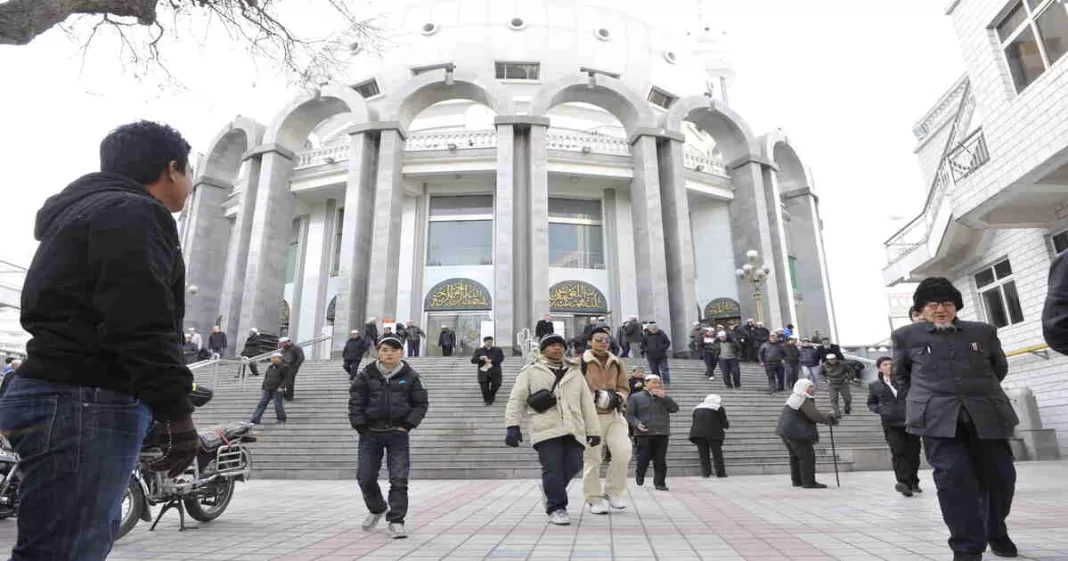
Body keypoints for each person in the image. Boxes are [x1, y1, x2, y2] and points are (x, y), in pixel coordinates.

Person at [0, 121, 197, 560]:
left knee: (64, 543)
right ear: (171, 169)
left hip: (59, 393)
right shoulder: (135, 213)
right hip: (86, 399)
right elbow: (140, 316)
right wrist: (176, 410)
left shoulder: (80, 214)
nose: (190, 183)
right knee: (66, 550)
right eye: (189, 171)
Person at [894, 277, 1018, 561]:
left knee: (1001, 478)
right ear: (921, 308)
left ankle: (995, 530)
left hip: (986, 414)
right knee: (953, 481)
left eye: (947, 303)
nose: (941, 309)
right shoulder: (905, 336)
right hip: (938, 421)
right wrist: (925, 401)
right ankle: (966, 548)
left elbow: (998, 368)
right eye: (933, 304)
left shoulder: (983, 332)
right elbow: (902, 376)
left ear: (956, 306)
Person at [504, 333, 602, 526]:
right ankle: (557, 507)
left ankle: (550, 491)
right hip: (545, 427)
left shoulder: (575, 372)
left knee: (575, 464)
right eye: (552, 345)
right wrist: (512, 425)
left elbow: (586, 403)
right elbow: (516, 399)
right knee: (553, 468)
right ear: (543, 349)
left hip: (573, 427)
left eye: (560, 345)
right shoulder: (531, 370)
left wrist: (594, 430)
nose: (557, 348)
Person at [349, 336, 429, 539]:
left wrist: (407, 425)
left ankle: (396, 521)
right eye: (385, 350)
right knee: (365, 477)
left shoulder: (411, 376)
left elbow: (421, 404)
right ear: (378, 352)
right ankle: (377, 508)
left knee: (399, 479)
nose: (389, 354)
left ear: (401, 352)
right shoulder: (366, 375)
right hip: (370, 433)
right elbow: (356, 401)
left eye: (394, 350)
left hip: (397, 434)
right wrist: (360, 425)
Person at [580, 329, 632, 514]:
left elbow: (624, 387)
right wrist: (593, 398)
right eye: (599, 339)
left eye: (607, 340)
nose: (603, 342)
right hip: (591, 416)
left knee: (623, 452)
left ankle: (613, 491)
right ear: (590, 341)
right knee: (592, 458)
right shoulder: (580, 362)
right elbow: (575, 388)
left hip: (615, 415)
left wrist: (618, 397)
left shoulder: (617, 362)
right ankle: (594, 498)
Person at [867, 356, 921, 497]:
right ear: (879, 368)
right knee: (898, 452)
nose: (889, 367)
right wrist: (880, 409)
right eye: (885, 364)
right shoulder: (875, 386)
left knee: (913, 454)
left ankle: (914, 481)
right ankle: (903, 483)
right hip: (891, 424)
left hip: (910, 422)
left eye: (891, 364)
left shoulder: (906, 382)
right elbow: (871, 403)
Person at [776, 379, 837, 489]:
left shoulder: (794, 398)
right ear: (802, 388)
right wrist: (829, 419)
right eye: (810, 387)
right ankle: (809, 482)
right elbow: (815, 416)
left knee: (795, 456)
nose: (813, 389)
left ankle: (797, 481)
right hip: (796, 432)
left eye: (813, 386)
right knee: (807, 456)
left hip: (786, 431)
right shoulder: (802, 399)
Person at [627, 374, 678, 490]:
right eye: (654, 382)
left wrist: (665, 398)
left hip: (662, 432)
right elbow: (629, 415)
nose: (657, 385)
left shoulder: (664, 397)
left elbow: (675, 409)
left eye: (658, 382)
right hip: (644, 433)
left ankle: (660, 483)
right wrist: (637, 424)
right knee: (643, 458)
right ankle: (640, 474)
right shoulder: (635, 397)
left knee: (660, 460)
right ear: (646, 383)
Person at [689, 394, 729, 478]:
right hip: (713, 434)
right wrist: (726, 426)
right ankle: (720, 473)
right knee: (717, 454)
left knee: (703, 455)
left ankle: (706, 473)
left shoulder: (697, 407)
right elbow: (724, 422)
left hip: (698, 434)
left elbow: (695, 420)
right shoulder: (718, 407)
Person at [249, 353, 288, 424]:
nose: (273, 359)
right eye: (272, 358)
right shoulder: (270, 367)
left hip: (277, 389)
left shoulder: (284, 367)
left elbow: (287, 379)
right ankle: (255, 419)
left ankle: (281, 419)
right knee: (262, 404)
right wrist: (263, 387)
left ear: (280, 358)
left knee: (277, 404)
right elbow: (266, 377)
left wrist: (282, 387)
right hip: (267, 389)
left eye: (275, 358)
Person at [471, 336, 505, 405]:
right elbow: (473, 360)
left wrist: (492, 361)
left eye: (491, 342)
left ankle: (491, 396)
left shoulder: (497, 350)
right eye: (488, 342)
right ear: (484, 342)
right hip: (483, 372)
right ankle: (487, 401)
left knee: (497, 384)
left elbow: (501, 358)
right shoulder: (479, 350)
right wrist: (480, 358)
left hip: (495, 371)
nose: (490, 343)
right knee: (484, 387)